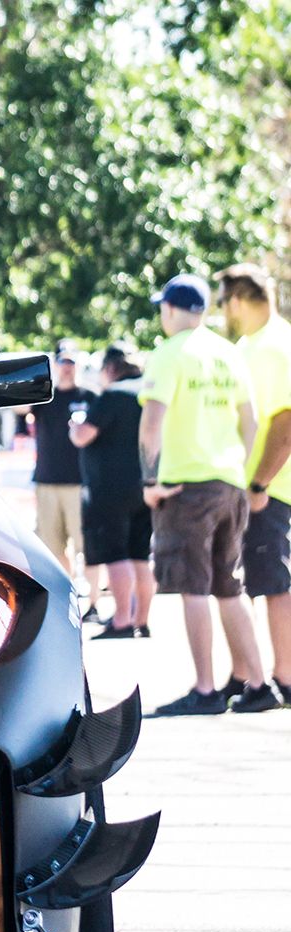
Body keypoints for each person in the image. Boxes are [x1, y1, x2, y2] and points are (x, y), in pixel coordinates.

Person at [139, 273, 273, 715]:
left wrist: (149, 481)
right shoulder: (228, 353)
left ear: (173, 310)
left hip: (187, 486)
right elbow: (250, 421)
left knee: (193, 587)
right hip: (230, 482)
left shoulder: (169, 353)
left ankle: (204, 689)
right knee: (229, 586)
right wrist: (243, 472)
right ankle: (258, 683)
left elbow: (152, 423)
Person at [216, 263, 291, 707]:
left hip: (270, 487)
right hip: (253, 485)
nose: (222, 311)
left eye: (223, 302)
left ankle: (283, 678)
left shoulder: (273, 347)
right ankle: (245, 673)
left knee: (273, 583)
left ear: (239, 301)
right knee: (248, 581)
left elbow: (284, 420)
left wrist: (260, 483)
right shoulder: (253, 345)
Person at [71, 342, 155, 638]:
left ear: (110, 368)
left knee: (116, 554)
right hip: (145, 486)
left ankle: (121, 620)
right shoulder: (148, 393)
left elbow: (83, 436)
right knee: (141, 556)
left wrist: (75, 424)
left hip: (111, 488)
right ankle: (141, 621)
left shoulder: (113, 396)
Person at [30, 340, 91, 587]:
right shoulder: (44, 395)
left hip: (79, 481)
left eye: (71, 362)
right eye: (63, 361)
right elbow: (20, 410)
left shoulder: (89, 396)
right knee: (51, 544)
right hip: (47, 480)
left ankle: (90, 588)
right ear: (55, 364)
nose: (67, 367)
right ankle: (70, 585)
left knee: (84, 543)